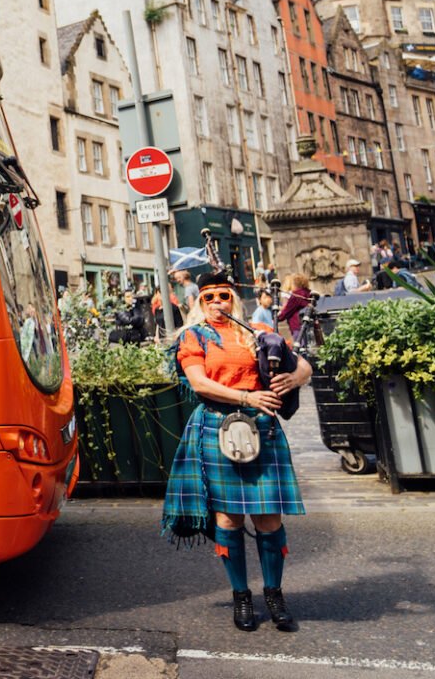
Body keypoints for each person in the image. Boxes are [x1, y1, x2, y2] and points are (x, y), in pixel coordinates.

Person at [161, 268, 313, 633]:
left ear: (234, 299)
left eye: (223, 296)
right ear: (199, 302)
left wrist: (294, 377)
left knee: (269, 520)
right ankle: (241, 596)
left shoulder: (257, 332)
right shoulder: (193, 337)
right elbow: (199, 382)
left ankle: (274, 595)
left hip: (262, 429)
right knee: (228, 520)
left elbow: (304, 364)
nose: (217, 303)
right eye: (209, 297)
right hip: (217, 426)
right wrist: (246, 396)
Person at [276, 274, 313, 341]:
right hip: (309, 324)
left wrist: (277, 317)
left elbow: (288, 310)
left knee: (300, 346)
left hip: (297, 325)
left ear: (295, 284)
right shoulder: (308, 292)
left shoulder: (296, 295)